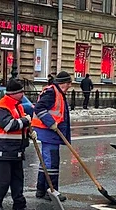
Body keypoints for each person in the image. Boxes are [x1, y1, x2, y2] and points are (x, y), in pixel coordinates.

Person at [0, 79, 37, 210]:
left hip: (15, 150)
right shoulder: (3, 107)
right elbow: (9, 126)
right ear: (14, 93)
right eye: (21, 91)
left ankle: (19, 206)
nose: (23, 94)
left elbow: (20, 126)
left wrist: (29, 133)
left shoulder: (18, 106)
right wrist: (25, 121)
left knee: (17, 179)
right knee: (3, 181)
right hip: (3, 150)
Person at [31, 71, 72, 202]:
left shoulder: (58, 92)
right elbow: (39, 108)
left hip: (50, 132)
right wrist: (51, 123)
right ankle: (51, 190)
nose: (70, 86)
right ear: (63, 83)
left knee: (46, 162)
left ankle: (41, 190)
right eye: (69, 83)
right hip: (48, 131)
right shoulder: (52, 92)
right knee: (51, 163)